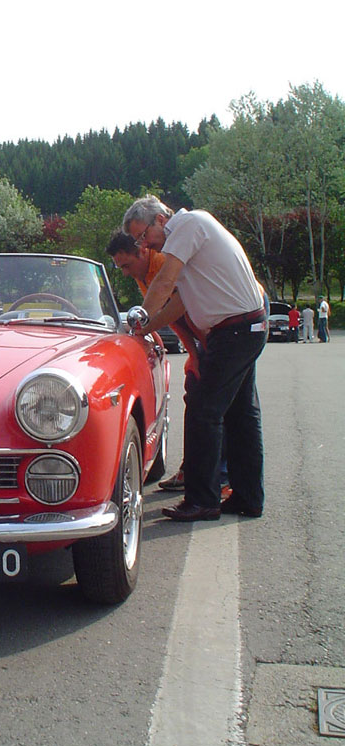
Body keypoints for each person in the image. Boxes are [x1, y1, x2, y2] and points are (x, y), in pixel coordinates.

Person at [123, 196, 267, 522]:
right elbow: (179, 306)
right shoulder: (188, 241)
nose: (143, 244)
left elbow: (164, 282)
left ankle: (203, 500)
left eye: (143, 235)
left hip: (235, 331)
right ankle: (247, 497)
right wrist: (144, 328)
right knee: (241, 417)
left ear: (161, 219)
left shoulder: (188, 225)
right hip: (243, 328)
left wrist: (141, 313)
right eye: (138, 240)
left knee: (203, 411)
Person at [106, 230, 229, 495]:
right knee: (198, 396)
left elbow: (182, 305)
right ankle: (198, 470)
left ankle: (219, 476)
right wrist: (195, 357)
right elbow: (173, 318)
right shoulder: (144, 274)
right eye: (120, 268)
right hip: (208, 331)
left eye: (126, 265)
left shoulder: (163, 263)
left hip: (230, 320)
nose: (125, 272)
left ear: (142, 251)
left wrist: (203, 352)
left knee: (215, 402)